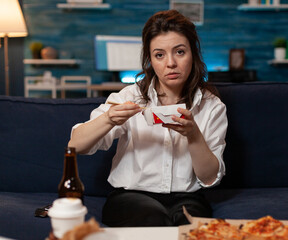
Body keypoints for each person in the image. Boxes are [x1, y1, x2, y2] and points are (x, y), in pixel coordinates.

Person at [68, 9, 228, 227]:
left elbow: (209, 179)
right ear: (150, 60)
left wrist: (193, 135)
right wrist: (109, 119)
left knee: (193, 228)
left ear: (193, 54)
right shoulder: (129, 96)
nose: (170, 63)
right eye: (159, 55)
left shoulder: (212, 106)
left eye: (179, 52)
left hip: (188, 198)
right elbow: (76, 145)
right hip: (130, 196)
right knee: (154, 221)